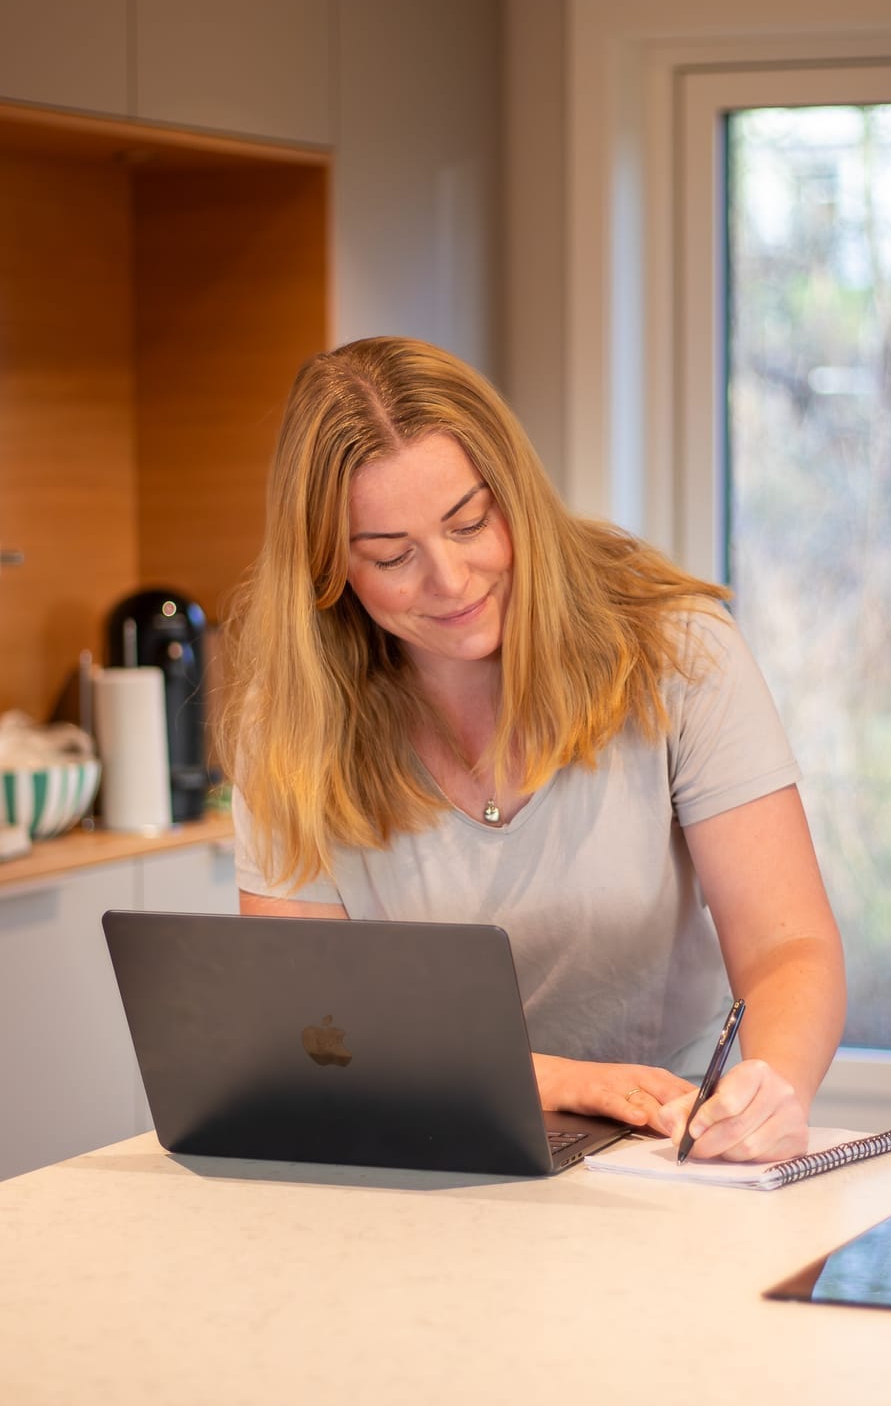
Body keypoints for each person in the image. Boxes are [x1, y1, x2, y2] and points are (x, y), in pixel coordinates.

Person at [218, 335, 846, 1164]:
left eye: (470, 523)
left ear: (517, 496)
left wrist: (773, 1087)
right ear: (330, 570)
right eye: (393, 556)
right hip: (421, 1144)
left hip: (669, 1143)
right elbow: (307, 1023)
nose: (450, 580)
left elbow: (788, 947)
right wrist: (551, 1080)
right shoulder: (290, 722)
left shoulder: (678, 651)